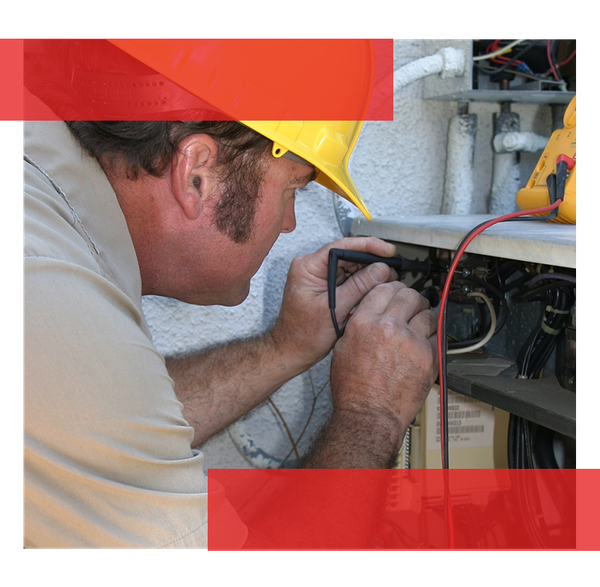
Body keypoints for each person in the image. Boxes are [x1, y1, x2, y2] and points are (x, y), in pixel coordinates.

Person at [22, 38, 438, 549]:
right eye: (292, 189)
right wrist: (373, 413)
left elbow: (112, 418)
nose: (288, 224)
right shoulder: (49, 290)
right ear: (196, 175)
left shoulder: (42, 180)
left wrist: (284, 347)